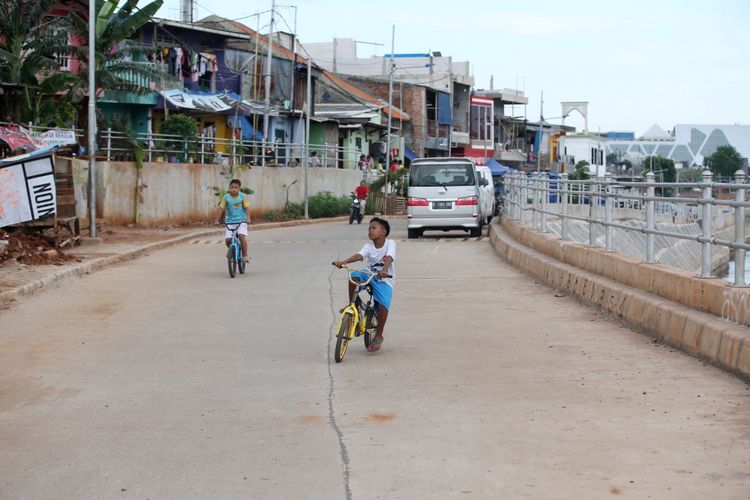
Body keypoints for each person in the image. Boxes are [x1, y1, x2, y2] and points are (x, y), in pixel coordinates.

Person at [332, 218, 395, 352]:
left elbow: (389, 257)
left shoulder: (390, 243)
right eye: (369, 229)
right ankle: (352, 304)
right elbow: (360, 255)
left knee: (384, 305)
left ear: (383, 232)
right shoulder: (368, 246)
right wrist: (344, 262)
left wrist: (384, 270)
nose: (370, 230)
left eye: (374, 228)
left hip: (384, 279)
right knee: (353, 277)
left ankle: (378, 335)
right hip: (368, 274)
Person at [216, 179, 251, 263]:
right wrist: (217, 219)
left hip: (241, 221)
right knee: (228, 240)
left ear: (239, 188)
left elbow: (246, 208)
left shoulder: (243, 197)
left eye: (236, 187)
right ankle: (231, 251)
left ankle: (245, 256)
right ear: (229, 188)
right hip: (230, 221)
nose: (234, 189)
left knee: (241, 236)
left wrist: (248, 218)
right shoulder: (226, 197)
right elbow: (221, 208)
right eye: (232, 187)